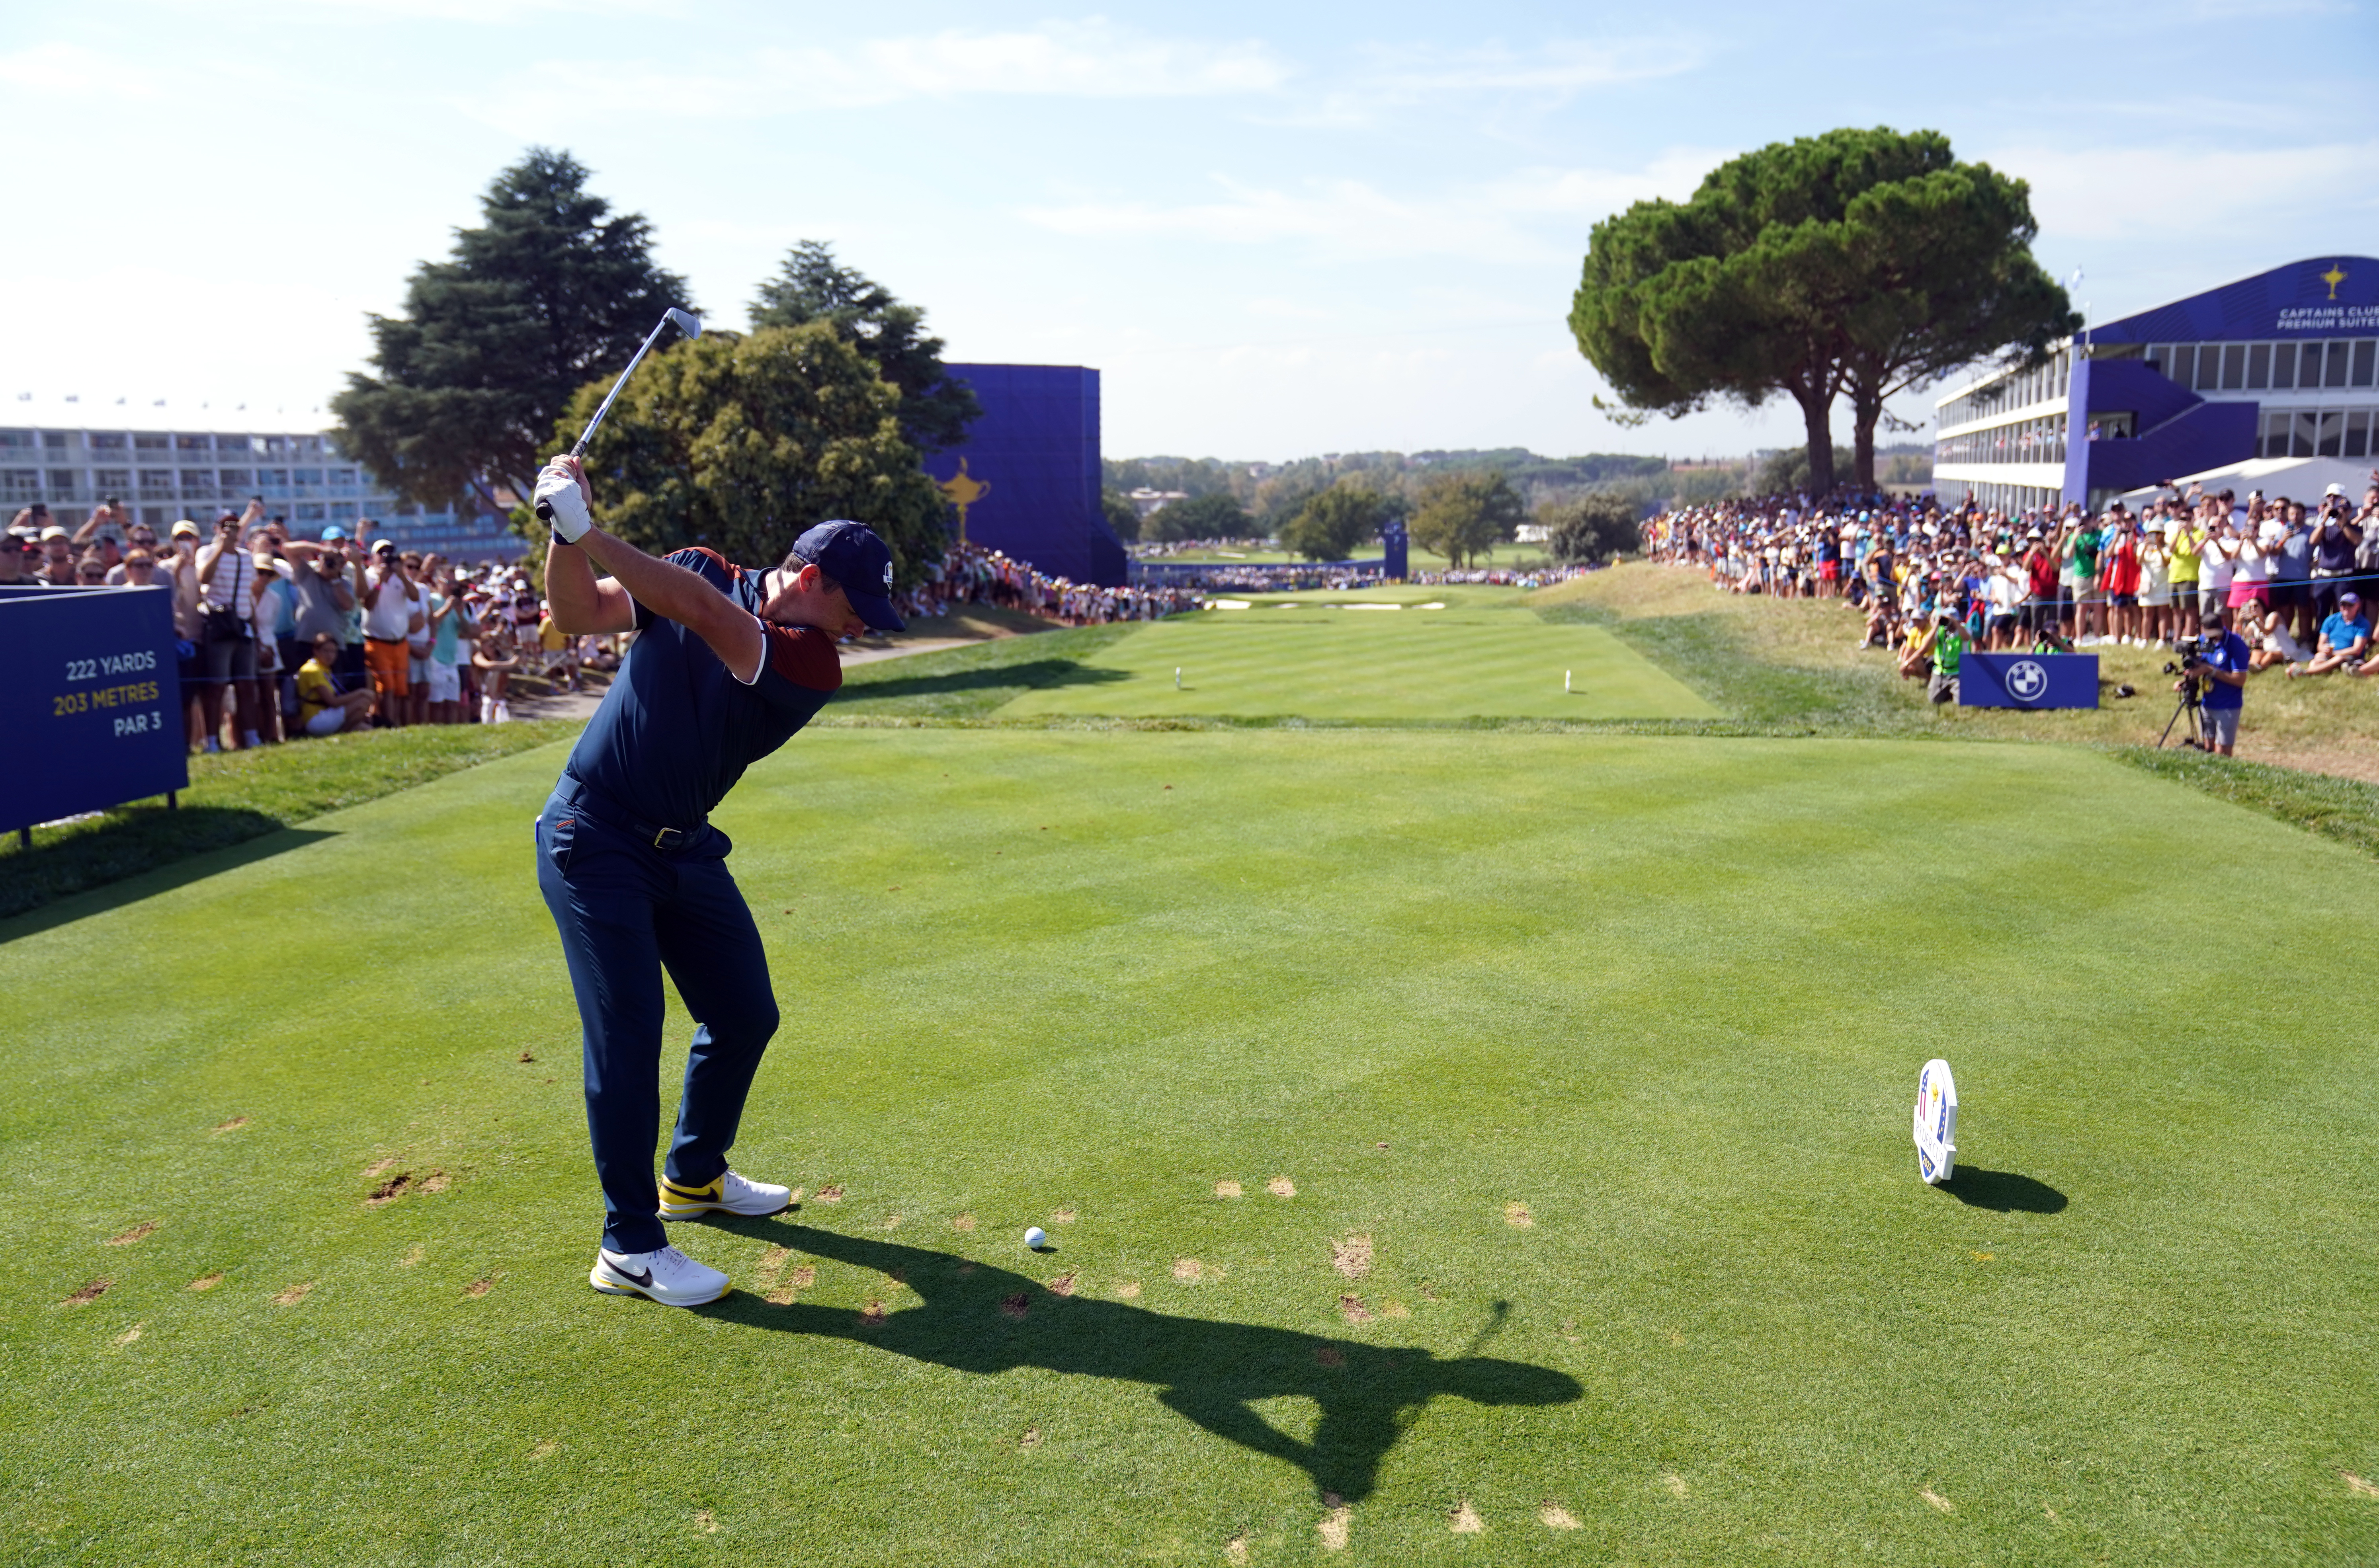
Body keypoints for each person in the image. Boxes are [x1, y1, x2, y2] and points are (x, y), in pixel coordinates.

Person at [531, 452, 898, 1308]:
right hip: (593, 835)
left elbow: (701, 614)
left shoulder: (812, 662)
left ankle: (693, 1175)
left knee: (744, 1013)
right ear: (810, 577)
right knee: (630, 1033)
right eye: (855, 605)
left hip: (683, 847)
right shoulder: (695, 567)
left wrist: (589, 528)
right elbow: (577, 612)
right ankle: (628, 1245)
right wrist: (563, 534)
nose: (863, 626)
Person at [359, 538, 422, 725]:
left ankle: (402, 725)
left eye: (390, 552)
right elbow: (368, 604)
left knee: (402, 690)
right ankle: (388, 724)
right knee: (386, 687)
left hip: (400, 642)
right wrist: (380, 581)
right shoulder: (369, 576)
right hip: (378, 642)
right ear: (374, 556)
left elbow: (415, 597)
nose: (386, 557)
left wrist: (401, 575)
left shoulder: (401, 577)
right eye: (382, 553)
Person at [2180, 608, 2250, 756]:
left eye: (2216, 634)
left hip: (2227, 706)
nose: (2213, 638)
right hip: (2207, 704)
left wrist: (2210, 670)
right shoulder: (2203, 640)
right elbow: (2198, 664)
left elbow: (2240, 680)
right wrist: (2187, 678)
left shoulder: (2236, 644)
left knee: (2222, 752)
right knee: (2208, 748)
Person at [292, 632, 376, 735]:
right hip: (316, 719)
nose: (330, 656)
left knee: (366, 728)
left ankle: (349, 729)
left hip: (328, 714)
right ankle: (343, 733)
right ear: (316, 651)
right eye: (326, 651)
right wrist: (361, 693)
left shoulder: (324, 668)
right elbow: (333, 702)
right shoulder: (313, 670)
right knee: (363, 702)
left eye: (333, 652)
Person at [2292, 591, 2371, 677]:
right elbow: (2320, 645)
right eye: (2343, 605)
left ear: (2358, 606)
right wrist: (2324, 649)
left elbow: (2357, 650)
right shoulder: (2331, 620)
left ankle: (2305, 673)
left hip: (2351, 657)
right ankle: (2312, 673)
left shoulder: (2363, 624)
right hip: (2331, 655)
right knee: (2318, 657)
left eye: (2350, 605)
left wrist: (2334, 654)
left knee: (2339, 658)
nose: (2346, 608)